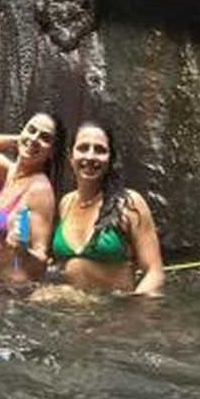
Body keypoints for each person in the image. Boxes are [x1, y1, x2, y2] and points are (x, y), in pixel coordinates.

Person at [51, 121, 165, 296]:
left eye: (100, 150)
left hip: (114, 313)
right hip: (70, 312)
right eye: (83, 148)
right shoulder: (65, 203)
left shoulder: (128, 203)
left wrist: (133, 310)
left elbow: (154, 273)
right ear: (70, 156)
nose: (90, 156)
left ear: (110, 159)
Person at [0, 110, 66, 284]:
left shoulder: (40, 189)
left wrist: (22, 249)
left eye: (45, 138)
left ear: (52, 151)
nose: (35, 138)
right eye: (31, 129)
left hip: (12, 291)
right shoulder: (10, 172)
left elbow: (41, 257)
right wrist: (22, 140)